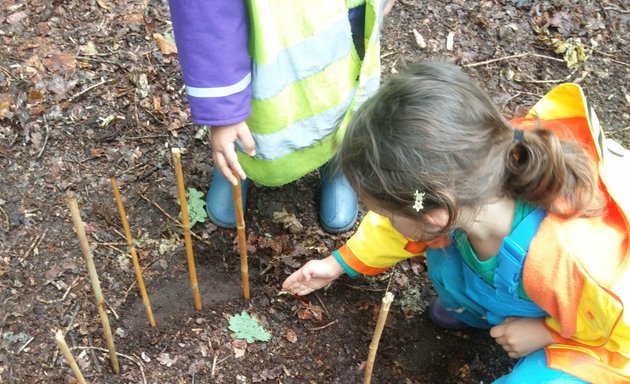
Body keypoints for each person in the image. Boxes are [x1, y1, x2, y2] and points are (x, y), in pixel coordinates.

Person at [282, 62, 630, 383]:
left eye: (388, 212)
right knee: (440, 251)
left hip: (603, 334)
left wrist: (546, 332)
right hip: (526, 284)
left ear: (435, 213)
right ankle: (477, 310)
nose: (385, 219)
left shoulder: (579, 263)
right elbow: (396, 228)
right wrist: (338, 263)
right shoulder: (467, 171)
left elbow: (620, 342)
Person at [168, 0, 394, 233]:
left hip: (340, 21)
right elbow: (204, 14)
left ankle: (336, 160)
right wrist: (224, 112)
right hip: (260, 35)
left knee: (340, 87)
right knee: (259, 111)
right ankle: (236, 164)